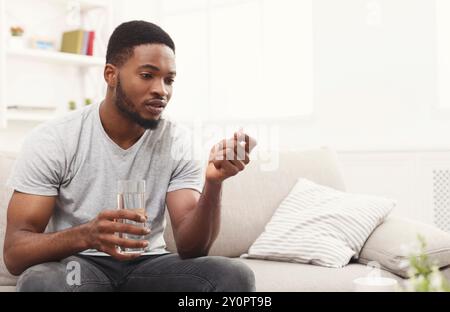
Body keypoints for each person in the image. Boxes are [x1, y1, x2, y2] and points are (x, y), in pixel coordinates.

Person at [3, 21, 257, 292]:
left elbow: (193, 247)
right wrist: (87, 234)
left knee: (234, 276)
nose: (162, 90)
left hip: (150, 267)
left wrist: (214, 183)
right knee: (41, 283)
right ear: (111, 75)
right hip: (80, 267)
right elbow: (15, 254)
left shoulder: (178, 141)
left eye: (169, 80)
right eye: (148, 75)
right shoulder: (54, 139)